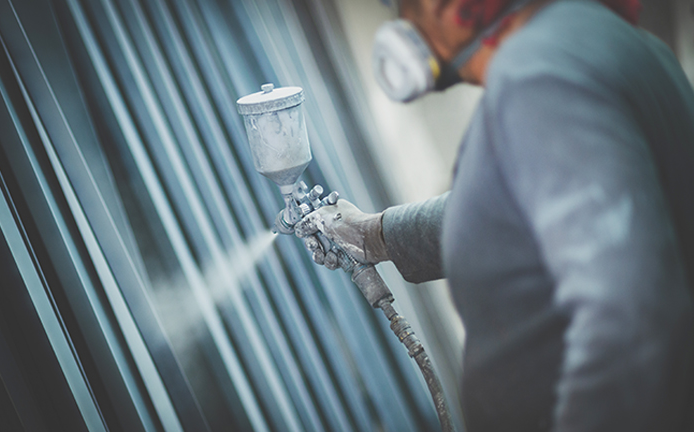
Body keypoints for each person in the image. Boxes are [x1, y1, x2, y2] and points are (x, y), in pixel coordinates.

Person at [294, 0, 694, 430]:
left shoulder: (535, 76)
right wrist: (376, 235)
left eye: (410, 6)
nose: (404, 22)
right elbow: (525, 210)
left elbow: (625, 312)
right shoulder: (609, 44)